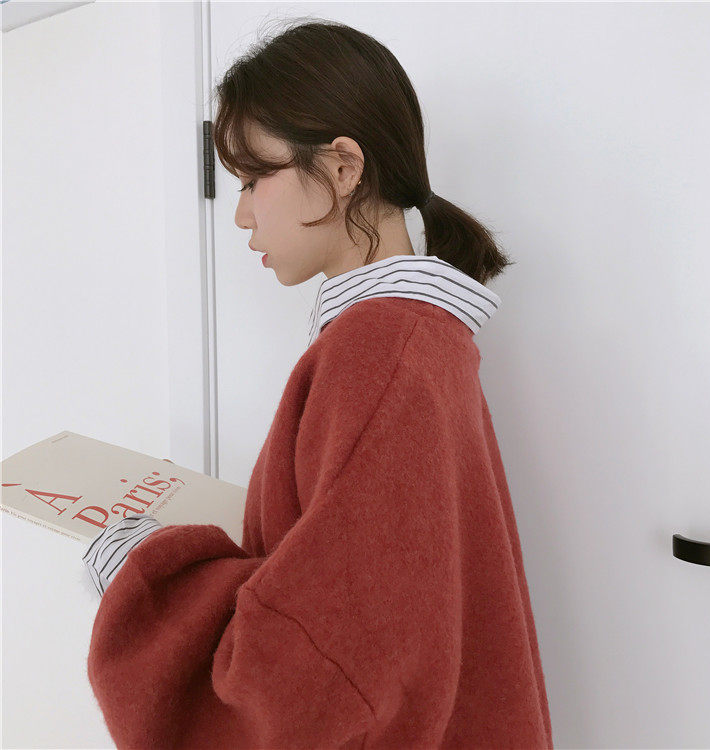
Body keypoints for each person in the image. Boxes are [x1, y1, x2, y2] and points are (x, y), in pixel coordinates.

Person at [83, 17, 553, 749]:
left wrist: (145, 573)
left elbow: (323, 681)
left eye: (254, 179)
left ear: (341, 167)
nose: (241, 214)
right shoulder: (414, 340)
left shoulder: (381, 350)